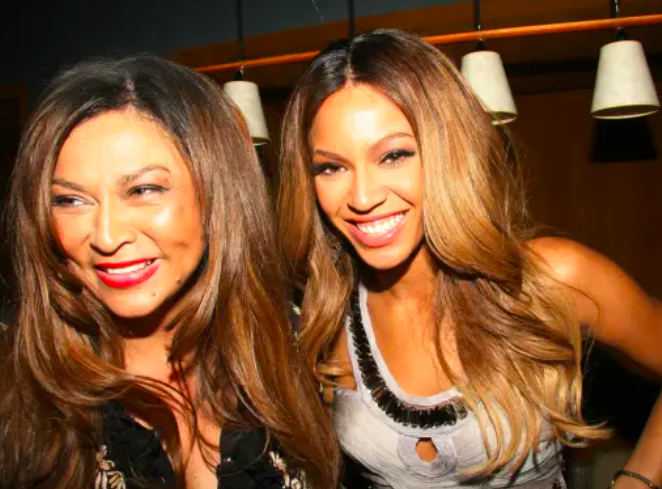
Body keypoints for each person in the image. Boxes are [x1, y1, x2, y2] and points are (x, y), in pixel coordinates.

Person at [277, 29, 662, 488]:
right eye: (332, 167)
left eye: (394, 155)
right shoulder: (326, 314)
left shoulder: (552, 279)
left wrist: (638, 480)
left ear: (448, 152)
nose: (361, 197)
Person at [0, 55, 339, 489]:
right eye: (71, 200)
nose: (107, 236)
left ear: (216, 197)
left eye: (143, 190)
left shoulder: (296, 345)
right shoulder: (17, 387)